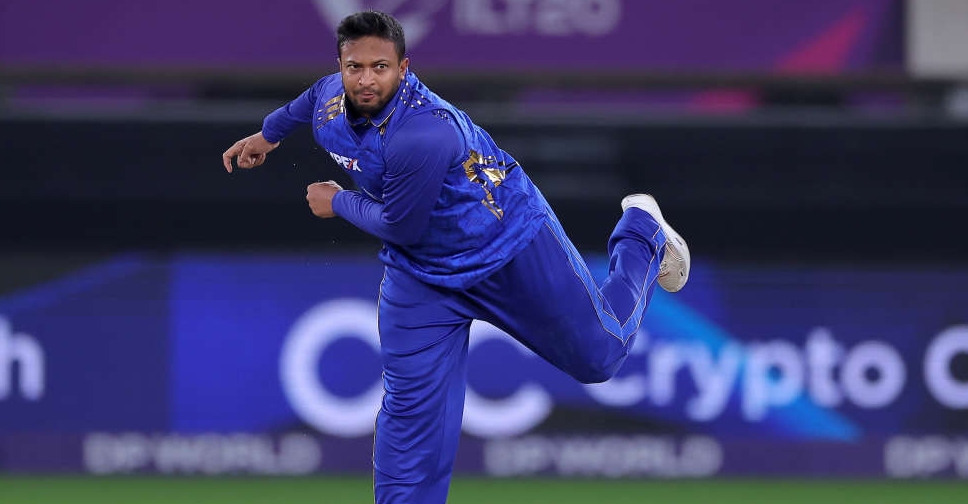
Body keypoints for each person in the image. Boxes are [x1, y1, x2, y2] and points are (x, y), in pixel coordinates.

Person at [221, 10, 690, 504]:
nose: (366, 80)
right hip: (421, 274)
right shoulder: (329, 99)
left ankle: (642, 231)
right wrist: (265, 137)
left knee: (600, 355)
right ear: (340, 67)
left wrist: (337, 201)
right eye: (354, 67)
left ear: (404, 68)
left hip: (507, 246)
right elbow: (304, 104)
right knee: (410, 423)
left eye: (380, 67)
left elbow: (400, 225)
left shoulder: (424, 132)